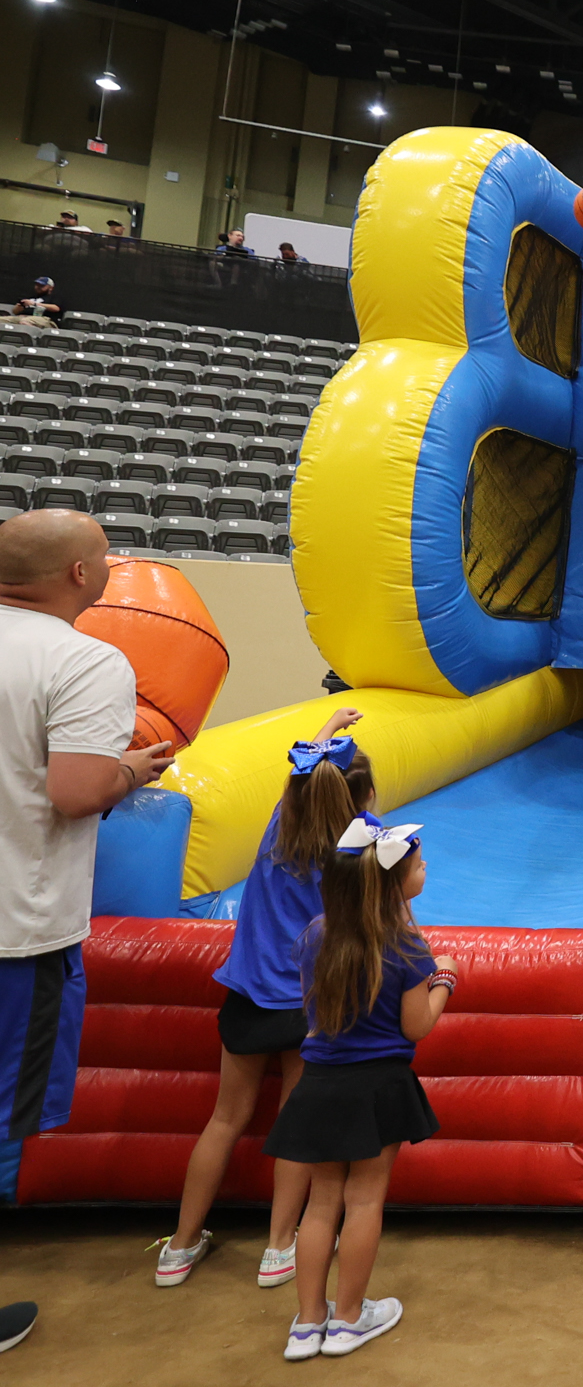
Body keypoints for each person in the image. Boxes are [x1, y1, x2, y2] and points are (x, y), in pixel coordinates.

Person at [0, 511, 171, 1343]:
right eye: (105, 555)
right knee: (4, 1110)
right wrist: (128, 770)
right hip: (17, 929)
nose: (113, 567)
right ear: (77, 575)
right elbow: (72, 792)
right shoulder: (84, 659)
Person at [153, 706, 372, 1291]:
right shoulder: (353, 855)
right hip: (308, 1006)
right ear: (362, 802)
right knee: (293, 1124)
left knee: (225, 1120)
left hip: (250, 998)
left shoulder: (280, 827)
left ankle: (178, 1247)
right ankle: (278, 1249)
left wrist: (328, 728)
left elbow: (301, 769)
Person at [264, 812, 455, 1360]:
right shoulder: (406, 949)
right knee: (365, 1200)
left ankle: (307, 1324)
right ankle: (348, 1319)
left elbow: (313, 1007)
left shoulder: (316, 936)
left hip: (320, 1084)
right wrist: (445, 979)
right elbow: (416, 1026)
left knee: (321, 1204)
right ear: (394, 884)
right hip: (377, 1087)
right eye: (418, 865)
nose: (425, 867)